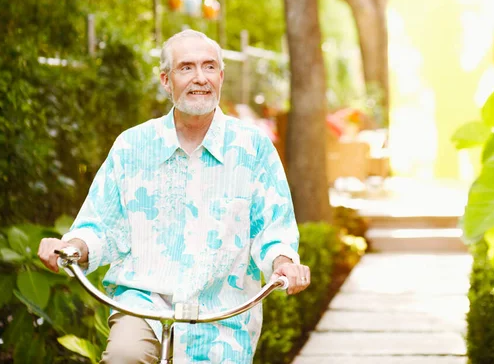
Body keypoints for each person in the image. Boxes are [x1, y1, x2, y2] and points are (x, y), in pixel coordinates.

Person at [38, 29, 310, 363]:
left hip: (222, 312)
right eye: (187, 68)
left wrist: (285, 264)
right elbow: (100, 225)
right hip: (144, 303)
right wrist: (69, 247)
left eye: (209, 67)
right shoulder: (132, 146)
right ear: (166, 81)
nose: (200, 78)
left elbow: (273, 229)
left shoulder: (253, 148)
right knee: (125, 356)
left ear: (221, 76)